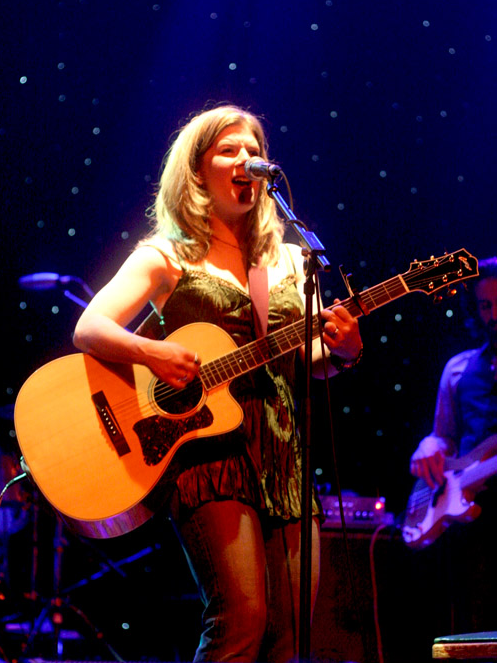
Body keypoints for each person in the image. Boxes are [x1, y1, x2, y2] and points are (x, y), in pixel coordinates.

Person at [73, 104, 363, 663]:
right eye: (229, 150)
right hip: (207, 452)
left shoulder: (292, 260)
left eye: (254, 150)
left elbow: (309, 360)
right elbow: (90, 327)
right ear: (197, 171)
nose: (246, 159)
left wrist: (343, 353)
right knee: (242, 616)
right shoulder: (166, 255)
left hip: (281, 450)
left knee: (292, 629)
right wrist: (151, 352)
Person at [409, 256, 497, 632]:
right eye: (486, 305)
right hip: (471, 520)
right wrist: (427, 448)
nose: (494, 315)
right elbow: (442, 436)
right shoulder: (459, 368)